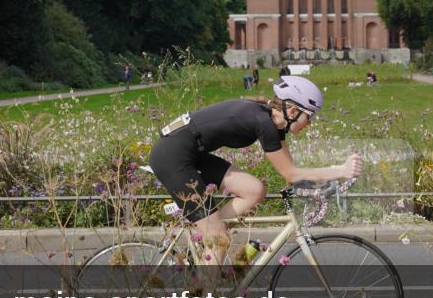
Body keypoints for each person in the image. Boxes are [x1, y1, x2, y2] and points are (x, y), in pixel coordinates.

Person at [148, 76, 363, 265]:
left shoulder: (273, 124)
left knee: (254, 190)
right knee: (219, 240)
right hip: (172, 156)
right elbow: (291, 174)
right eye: (310, 116)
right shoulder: (264, 122)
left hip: (188, 152)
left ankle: (207, 232)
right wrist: (340, 171)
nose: (310, 124)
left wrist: (327, 175)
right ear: (293, 111)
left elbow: (291, 170)